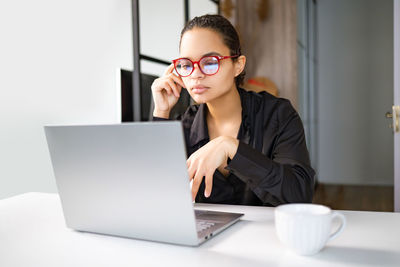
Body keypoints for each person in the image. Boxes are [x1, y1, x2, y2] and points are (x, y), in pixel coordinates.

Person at [151, 14, 315, 206]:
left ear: (238, 65)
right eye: (186, 65)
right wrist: (161, 113)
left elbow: (299, 194)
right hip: (209, 235)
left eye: (210, 62)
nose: (196, 74)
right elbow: (155, 198)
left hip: (267, 235)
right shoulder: (184, 125)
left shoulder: (278, 115)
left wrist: (232, 148)